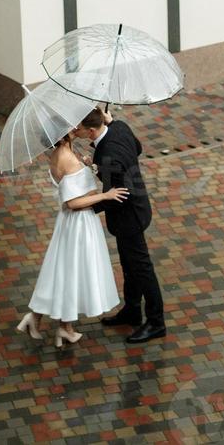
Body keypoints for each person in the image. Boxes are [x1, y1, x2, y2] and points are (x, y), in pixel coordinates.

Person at [17, 126, 129, 347]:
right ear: (62, 134)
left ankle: (55, 324)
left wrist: (88, 166)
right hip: (78, 224)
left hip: (73, 224)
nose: (74, 127)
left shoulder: (64, 152)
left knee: (67, 273)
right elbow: (73, 203)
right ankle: (61, 327)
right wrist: (106, 195)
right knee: (72, 273)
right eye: (69, 127)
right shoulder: (66, 157)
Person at [79, 106, 166, 344]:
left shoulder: (107, 154)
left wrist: (86, 208)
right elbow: (136, 149)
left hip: (129, 217)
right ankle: (132, 311)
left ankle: (156, 322)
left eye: (78, 128)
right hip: (139, 206)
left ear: (90, 131)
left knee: (142, 268)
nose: (75, 131)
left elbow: (117, 193)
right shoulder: (119, 127)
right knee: (129, 264)